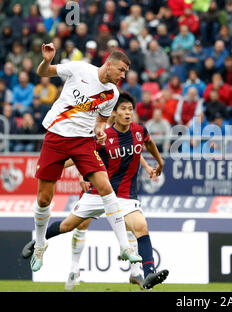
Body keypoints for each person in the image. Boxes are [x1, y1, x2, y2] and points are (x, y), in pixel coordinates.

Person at [22, 93, 169, 290]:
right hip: (99, 193)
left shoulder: (139, 131)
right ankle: (39, 241)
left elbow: (146, 144)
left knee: (141, 227)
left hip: (125, 196)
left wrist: (158, 163)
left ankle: (149, 274)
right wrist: (66, 168)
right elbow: (78, 156)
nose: (128, 113)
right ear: (114, 114)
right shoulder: (103, 137)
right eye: (123, 109)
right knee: (67, 226)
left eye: (130, 110)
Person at [25, 43, 141, 273]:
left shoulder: (112, 94)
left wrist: (99, 131)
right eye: (120, 70)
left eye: (125, 72)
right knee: (44, 199)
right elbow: (43, 73)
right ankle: (40, 243)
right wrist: (47, 60)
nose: (122, 76)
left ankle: (125, 247)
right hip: (56, 137)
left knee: (106, 188)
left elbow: (101, 120)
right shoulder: (79, 69)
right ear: (108, 65)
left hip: (83, 142)